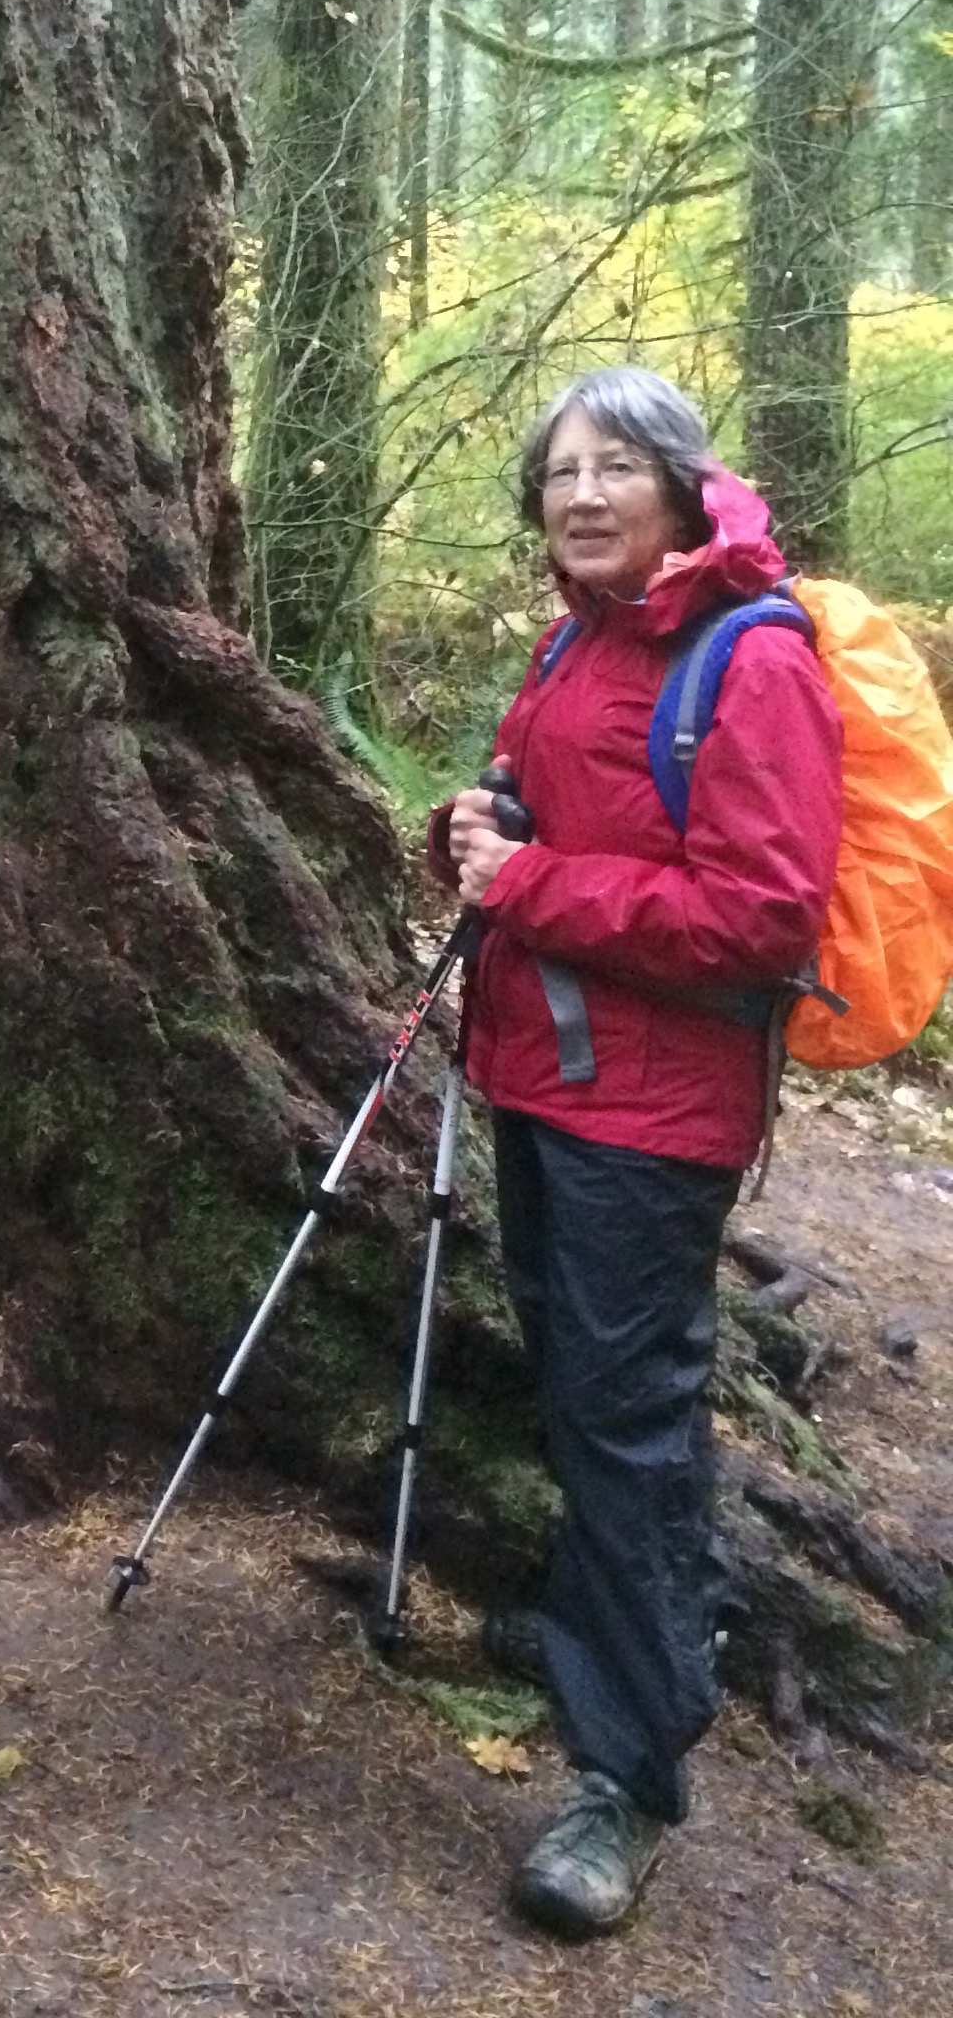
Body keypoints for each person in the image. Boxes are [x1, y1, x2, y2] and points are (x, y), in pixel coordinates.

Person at [436, 367, 841, 1939]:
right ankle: (632, 1634)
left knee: (626, 1420)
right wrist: (474, 837)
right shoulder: (575, 638)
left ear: (681, 488)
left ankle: (630, 1779)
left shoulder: (753, 660)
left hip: (653, 1119)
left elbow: (760, 915)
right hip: (546, 1085)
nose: (585, 495)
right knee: (586, 1391)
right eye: (560, 473)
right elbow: (533, 819)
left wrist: (528, 883)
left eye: (616, 468)